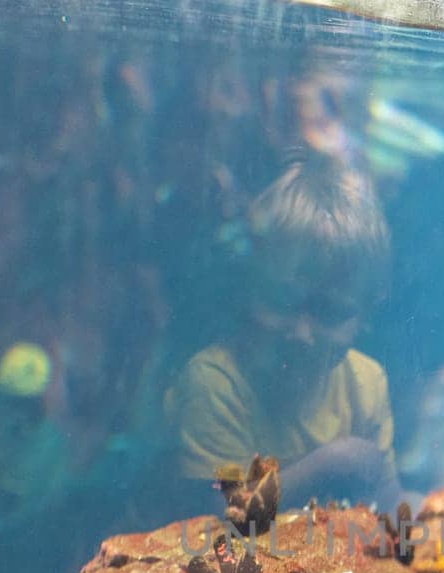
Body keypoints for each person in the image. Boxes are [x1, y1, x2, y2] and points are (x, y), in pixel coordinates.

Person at [165, 153, 406, 515]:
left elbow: (389, 507)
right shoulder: (216, 384)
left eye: (330, 312)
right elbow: (222, 516)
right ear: (250, 287)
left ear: (366, 315)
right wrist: (328, 465)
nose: (302, 333)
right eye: (283, 301)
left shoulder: (366, 383)